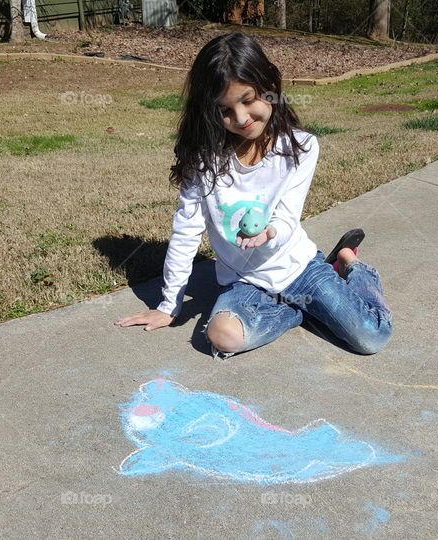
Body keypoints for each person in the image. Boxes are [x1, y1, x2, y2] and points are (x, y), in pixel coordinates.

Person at [114, 32, 392, 359]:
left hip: (299, 269)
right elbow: (186, 233)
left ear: (270, 87)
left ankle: (350, 264)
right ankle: (297, 310)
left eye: (248, 100)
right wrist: (169, 304)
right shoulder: (204, 162)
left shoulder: (298, 148)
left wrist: (269, 231)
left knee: (371, 338)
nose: (241, 118)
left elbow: (287, 217)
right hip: (245, 282)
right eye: (225, 110)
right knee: (222, 338)